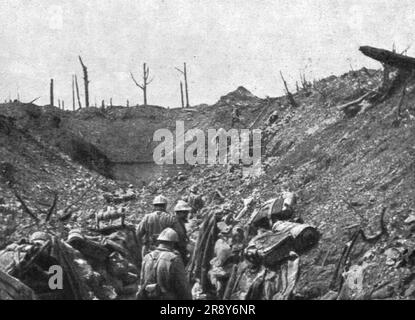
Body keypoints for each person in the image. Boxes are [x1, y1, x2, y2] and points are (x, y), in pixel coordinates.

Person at [137, 228, 192, 300]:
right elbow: (183, 287)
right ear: (173, 243)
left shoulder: (147, 257)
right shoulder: (174, 259)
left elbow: (142, 283)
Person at [173, 200, 191, 265]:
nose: (187, 215)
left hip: (181, 249)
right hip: (176, 250)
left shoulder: (181, 222)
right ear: (180, 212)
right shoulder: (174, 222)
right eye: (185, 213)